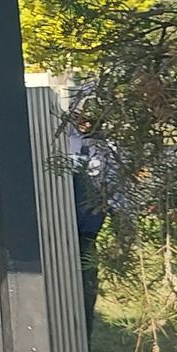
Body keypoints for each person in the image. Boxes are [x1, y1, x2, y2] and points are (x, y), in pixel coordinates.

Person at [67, 102, 113, 337]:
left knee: (86, 286)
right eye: (81, 116)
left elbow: (114, 191)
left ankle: (84, 338)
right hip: (59, 229)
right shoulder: (62, 142)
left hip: (88, 231)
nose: (85, 122)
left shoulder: (107, 148)